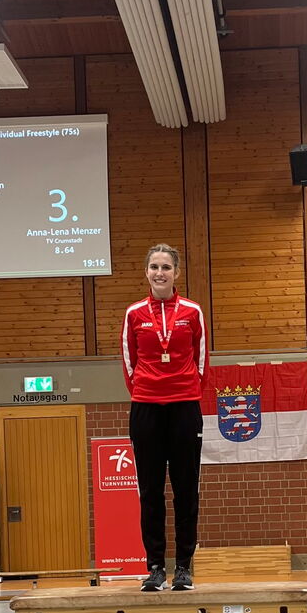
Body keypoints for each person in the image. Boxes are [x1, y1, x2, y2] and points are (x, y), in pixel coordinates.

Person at [121, 244, 208, 592]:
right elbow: (128, 360)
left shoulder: (192, 311)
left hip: (185, 406)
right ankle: (155, 568)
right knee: (150, 492)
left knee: (186, 491)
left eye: (166, 267)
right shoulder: (134, 313)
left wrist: (185, 390)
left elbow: (202, 359)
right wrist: (147, 391)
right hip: (146, 407)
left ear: (176, 273)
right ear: (147, 272)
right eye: (154, 267)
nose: (160, 273)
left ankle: (183, 567)